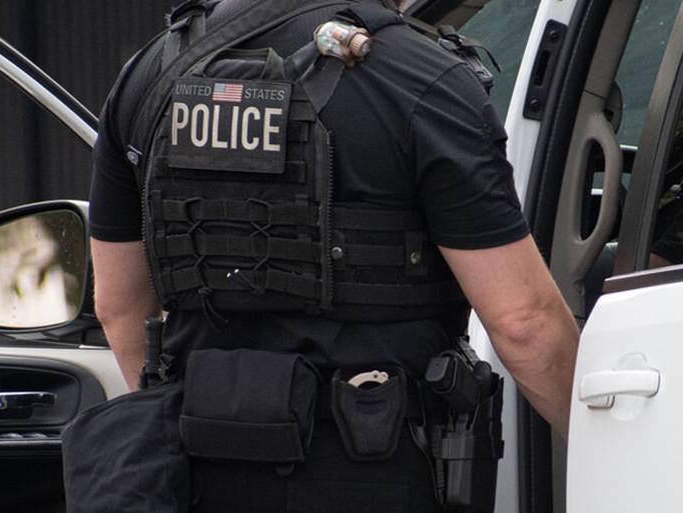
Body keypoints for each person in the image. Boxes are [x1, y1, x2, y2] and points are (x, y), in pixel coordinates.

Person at [78, 0, 580, 511]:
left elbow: (119, 307)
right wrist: (607, 447)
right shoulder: (422, 79)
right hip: (380, 465)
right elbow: (523, 324)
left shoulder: (150, 75)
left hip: (195, 470)